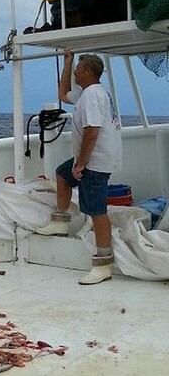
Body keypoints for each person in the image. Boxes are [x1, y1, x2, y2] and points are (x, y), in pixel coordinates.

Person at [36, 50, 122, 285]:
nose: (75, 72)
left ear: (88, 72)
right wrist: (67, 62)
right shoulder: (87, 94)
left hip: (95, 162)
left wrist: (81, 164)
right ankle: (60, 222)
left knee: (97, 211)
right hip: (88, 159)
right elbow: (63, 94)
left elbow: (92, 132)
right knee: (62, 174)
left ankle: (103, 264)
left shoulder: (93, 95)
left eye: (78, 67)